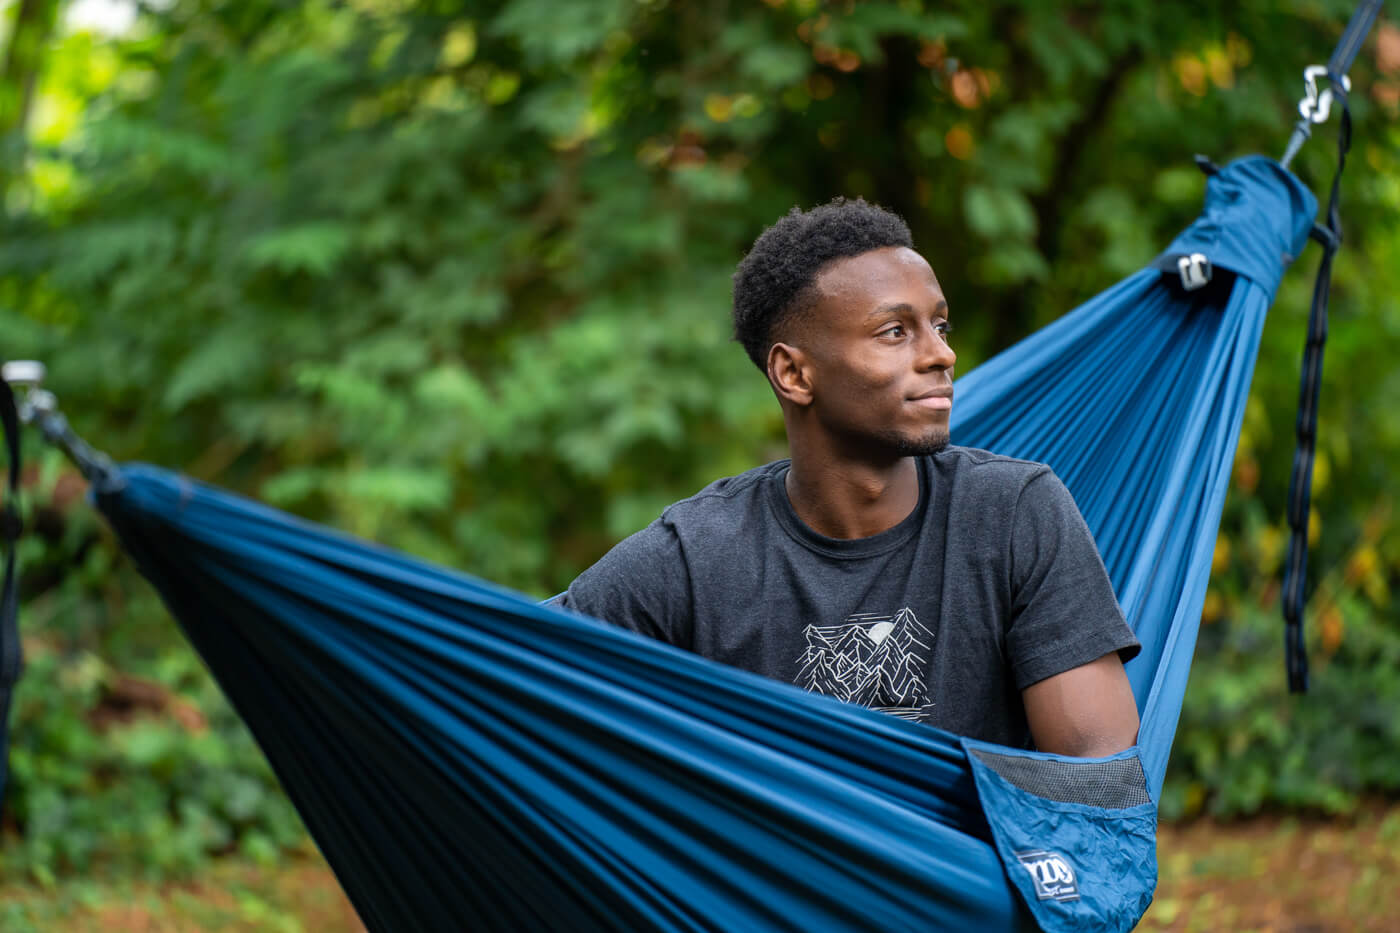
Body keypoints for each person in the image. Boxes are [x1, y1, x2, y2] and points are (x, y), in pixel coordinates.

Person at [555, 198, 1140, 756]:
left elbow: (1097, 779)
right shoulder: (698, 557)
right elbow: (523, 666)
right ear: (794, 374)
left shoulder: (1011, 513)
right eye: (895, 332)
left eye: (940, 326)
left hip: (973, 835)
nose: (942, 355)